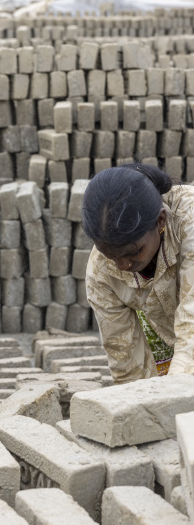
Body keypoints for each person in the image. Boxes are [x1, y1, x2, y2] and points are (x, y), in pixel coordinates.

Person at [82, 163, 194, 383]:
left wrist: (176, 395)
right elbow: (124, 357)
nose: (122, 265)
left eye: (133, 252)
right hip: (170, 329)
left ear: (160, 221)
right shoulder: (101, 272)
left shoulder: (189, 220)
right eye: (111, 256)